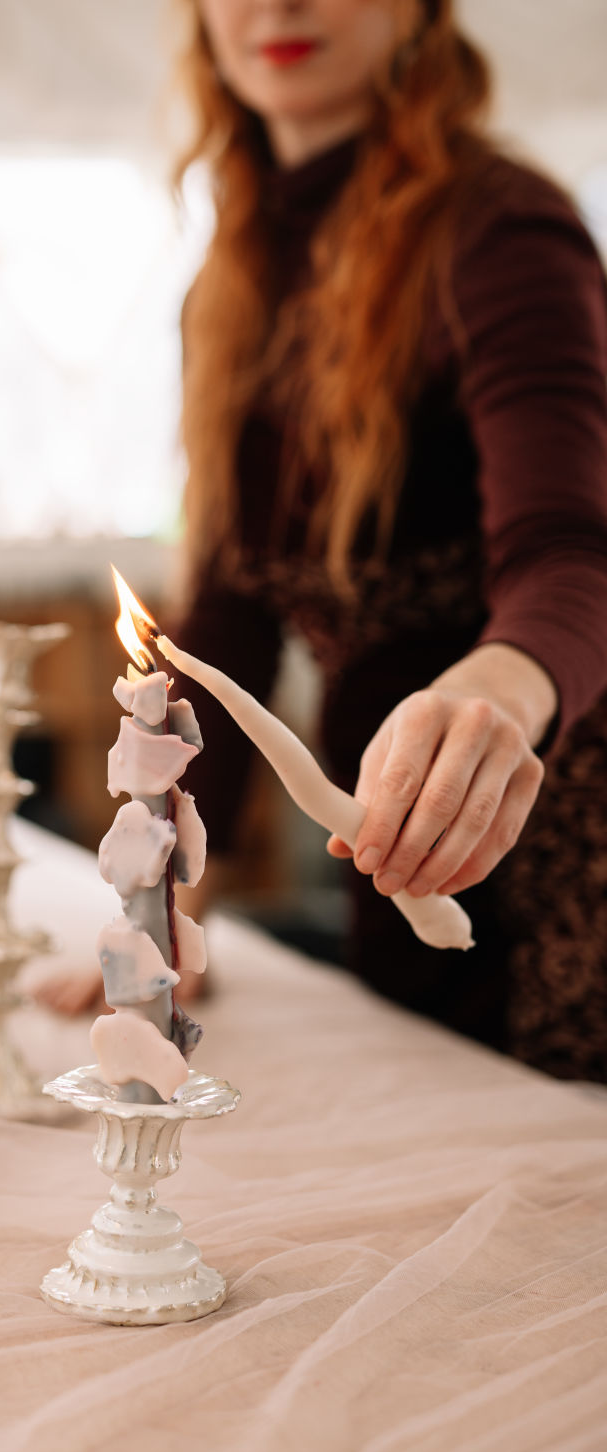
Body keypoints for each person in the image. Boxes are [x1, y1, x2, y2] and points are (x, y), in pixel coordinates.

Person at [36, 0, 607, 1082]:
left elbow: (573, 552)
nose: (280, 2)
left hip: (554, 823)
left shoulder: (503, 230)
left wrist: (501, 686)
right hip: (382, 823)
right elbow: (229, 618)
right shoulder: (230, 277)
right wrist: (164, 901)